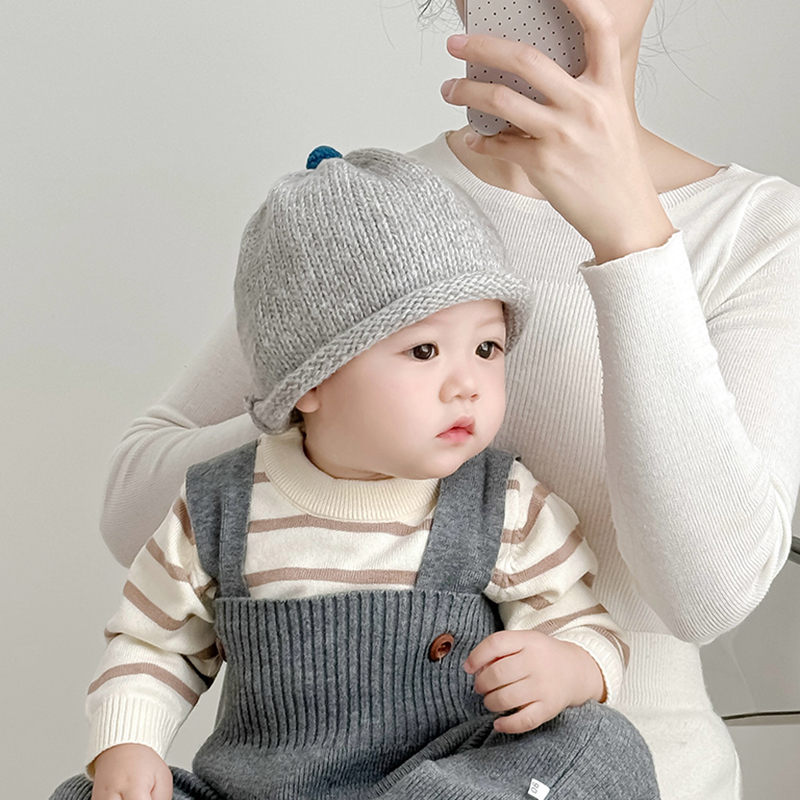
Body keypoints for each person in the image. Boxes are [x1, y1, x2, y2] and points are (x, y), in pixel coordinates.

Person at [97, 1, 800, 798]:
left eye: (484, 346)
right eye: (430, 349)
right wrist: (321, 392)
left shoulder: (755, 231)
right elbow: (134, 512)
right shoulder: (377, 213)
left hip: (580, 773)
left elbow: (706, 597)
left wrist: (633, 240)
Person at [50, 148, 658, 800]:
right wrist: (127, 745)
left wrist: (566, 668)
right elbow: (153, 645)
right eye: (423, 350)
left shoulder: (503, 501)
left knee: (602, 744)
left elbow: (581, 623)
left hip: (447, 783)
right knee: (82, 797)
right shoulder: (222, 506)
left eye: (487, 347)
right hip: (259, 791)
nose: (468, 386)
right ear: (310, 379)